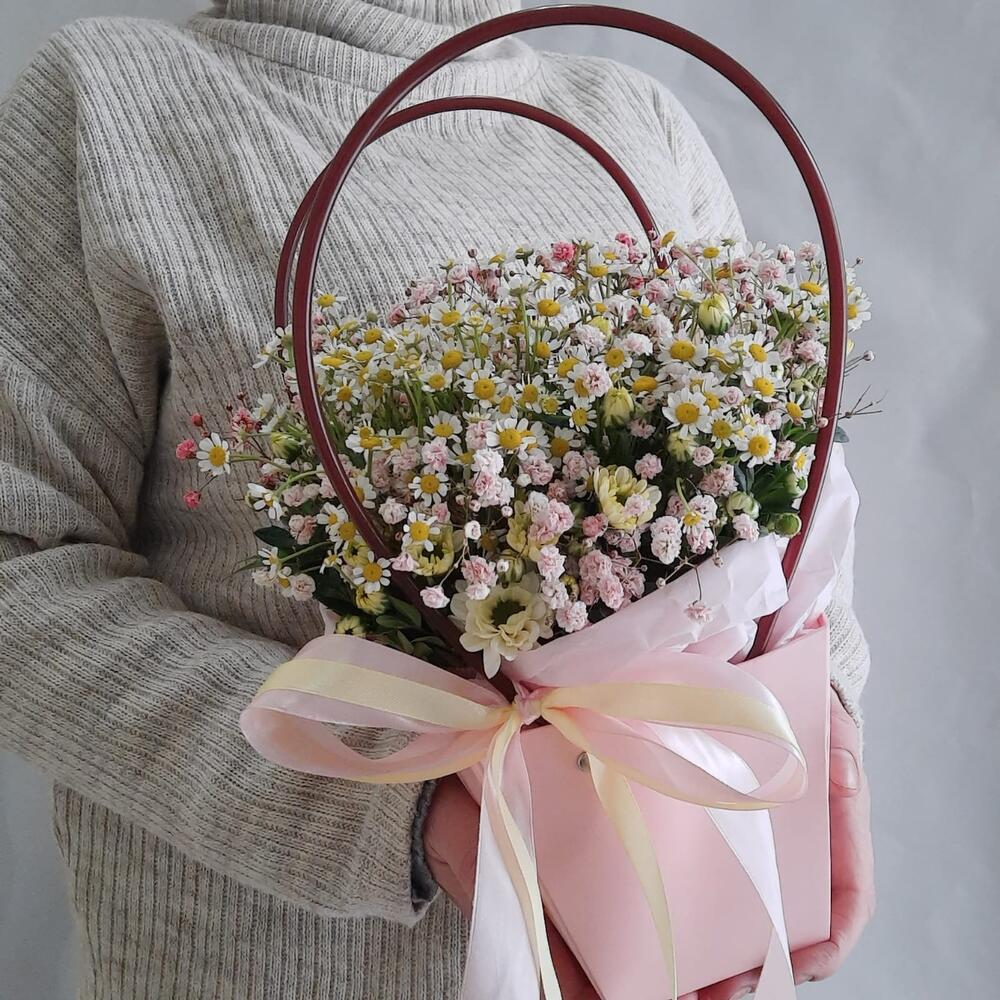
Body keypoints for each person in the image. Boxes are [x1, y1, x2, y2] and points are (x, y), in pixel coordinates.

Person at [0, 2, 873, 998]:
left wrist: (822, 716)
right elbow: (18, 569)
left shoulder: (635, 120)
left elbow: (784, 494)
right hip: (278, 967)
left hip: (669, 924)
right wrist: (415, 809)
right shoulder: (112, 103)